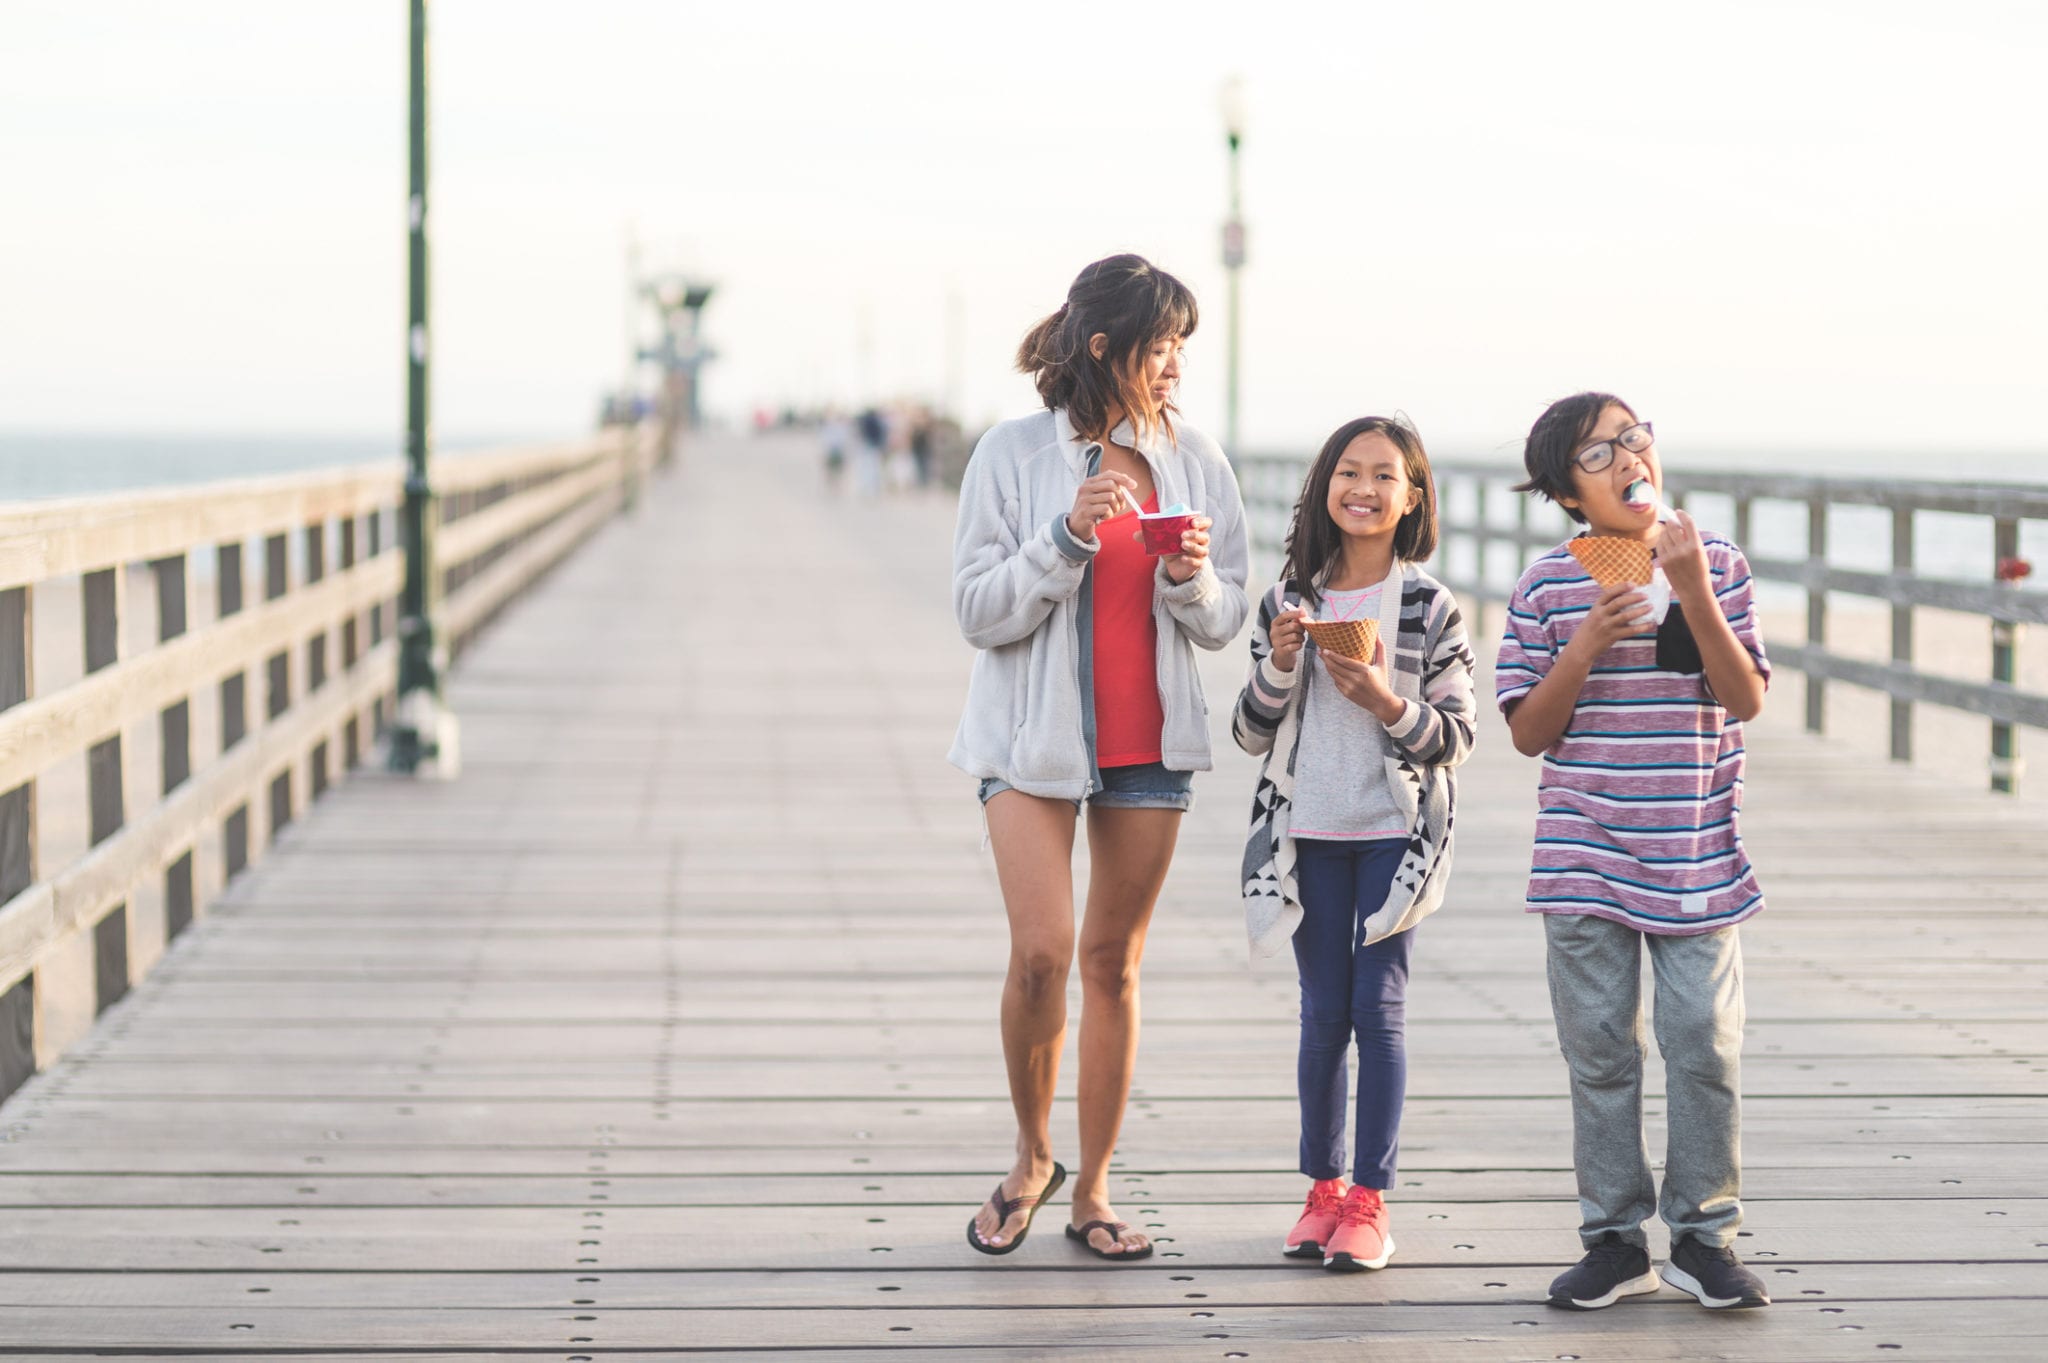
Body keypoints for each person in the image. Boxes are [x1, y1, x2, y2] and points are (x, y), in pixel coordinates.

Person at [950, 253, 1250, 1261]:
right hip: (1025, 743)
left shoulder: (1195, 457)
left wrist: (1192, 576)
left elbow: (1223, 622)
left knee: (1111, 966)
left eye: (1180, 347)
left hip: (1148, 742)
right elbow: (974, 611)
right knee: (1040, 953)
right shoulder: (1009, 454)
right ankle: (1030, 1157)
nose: (1173, 365)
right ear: (1101, 346)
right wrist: (1062, 541)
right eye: (1159, 346)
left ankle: (1094, 1187)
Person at [1495, 392, 1774, 1311]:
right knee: (1601, 1051)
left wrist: (1690, 588)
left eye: (1633, 438)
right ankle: (1613, 1237)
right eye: (1596, 453)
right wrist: (1582, 645)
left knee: (1704, 1043)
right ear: (1567, 492)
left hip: (1696, 849)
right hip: (1582, 853)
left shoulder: (1717, 563)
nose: (1626, 458)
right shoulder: (1544, 586)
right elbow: (1530, 733)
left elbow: (1744, 699)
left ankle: (1703, 1235)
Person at [1232, 416, 1475, 1273]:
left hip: (1393, 836)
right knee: (1321, 1014)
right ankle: (1321, 1192)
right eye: (1349, 472)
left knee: (1380, 1010)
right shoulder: (1287, 600)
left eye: (1385, 476)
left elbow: (1456, 737)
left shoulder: (1428, 605)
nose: (1364, 489)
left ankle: (1371, 1201)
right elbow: (1249, 732)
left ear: (1413, 498)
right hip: (1306, 832)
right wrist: (1281, 665)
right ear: (1325, 486)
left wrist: (1381, 698)